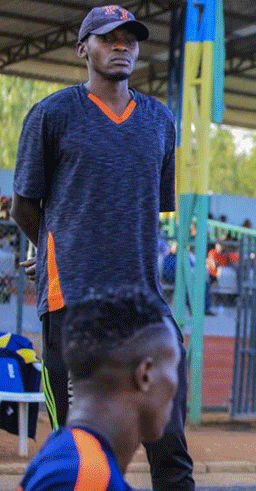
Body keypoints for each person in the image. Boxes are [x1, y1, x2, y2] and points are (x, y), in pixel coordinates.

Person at [10, 5, 193, 489]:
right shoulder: (52, 114)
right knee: (80, 444)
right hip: (71, 302)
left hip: (143, 305)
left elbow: (151, 210)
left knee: (170, 445)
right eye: (109, 38)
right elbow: (25, 207)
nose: (121, 47)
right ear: (83, 48)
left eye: (129, 40)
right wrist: (57, 249)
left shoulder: (159, 120)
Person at [19, 287, 180, 491]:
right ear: (145, 375)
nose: (177, 385)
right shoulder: (84, 478)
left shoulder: (70, 459)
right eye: (173, 367)